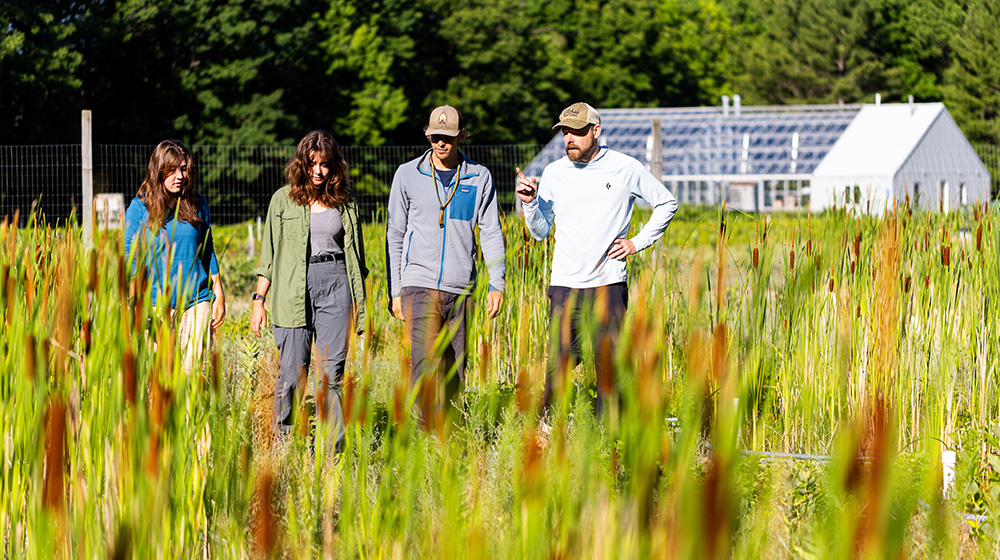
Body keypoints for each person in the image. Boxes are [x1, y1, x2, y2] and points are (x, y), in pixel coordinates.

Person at [516, 102, 678, 417]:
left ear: (596, 131)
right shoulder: (554, 172)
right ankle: (549, 431)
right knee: (559, 364)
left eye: (577, 132)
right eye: (565, 132)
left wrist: (636, 242)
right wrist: (531, 203)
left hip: (608, 284)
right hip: (565, 286)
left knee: (610, 367)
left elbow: (667, 203)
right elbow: (539, 232)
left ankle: (610, 440)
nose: (569, 139)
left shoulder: (624, 167)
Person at [251, 130, 368, 448]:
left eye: (325, 164)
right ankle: (282, 446)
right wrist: (259, 300)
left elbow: (356, 258)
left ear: (334, 167)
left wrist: (360, 305)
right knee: (292, 372)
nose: (318, 171)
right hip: (292, 289)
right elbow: (269, 256)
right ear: (301, 164)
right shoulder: (282, 200)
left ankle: (331, 453)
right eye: (312, 163)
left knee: (330, 375)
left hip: (335, 284)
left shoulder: (344, 202)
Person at [386, 105, 506, 415]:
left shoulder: (479, 177)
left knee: (455, 368)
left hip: (460, 288)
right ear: (427, 135)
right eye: (435, 137)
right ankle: (423, 441)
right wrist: (396, 290)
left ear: (462, 137)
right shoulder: (407, 175)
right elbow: (395, 234)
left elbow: (491, 231)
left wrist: (497, 283)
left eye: (449, 138)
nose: (441, 144)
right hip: (418, 284)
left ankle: (450, 437)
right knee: (426, 364)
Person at [124, 139, 226, 372]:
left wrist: (218, 289)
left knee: (191, 379)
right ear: (158, 170)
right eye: (172, 170)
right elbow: (130, 258)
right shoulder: (140, 207)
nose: (179, 176)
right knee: (156, 384)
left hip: (195, 301)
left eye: (183, 169)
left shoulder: (197, 204)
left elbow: (207, 247)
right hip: (153, 306)